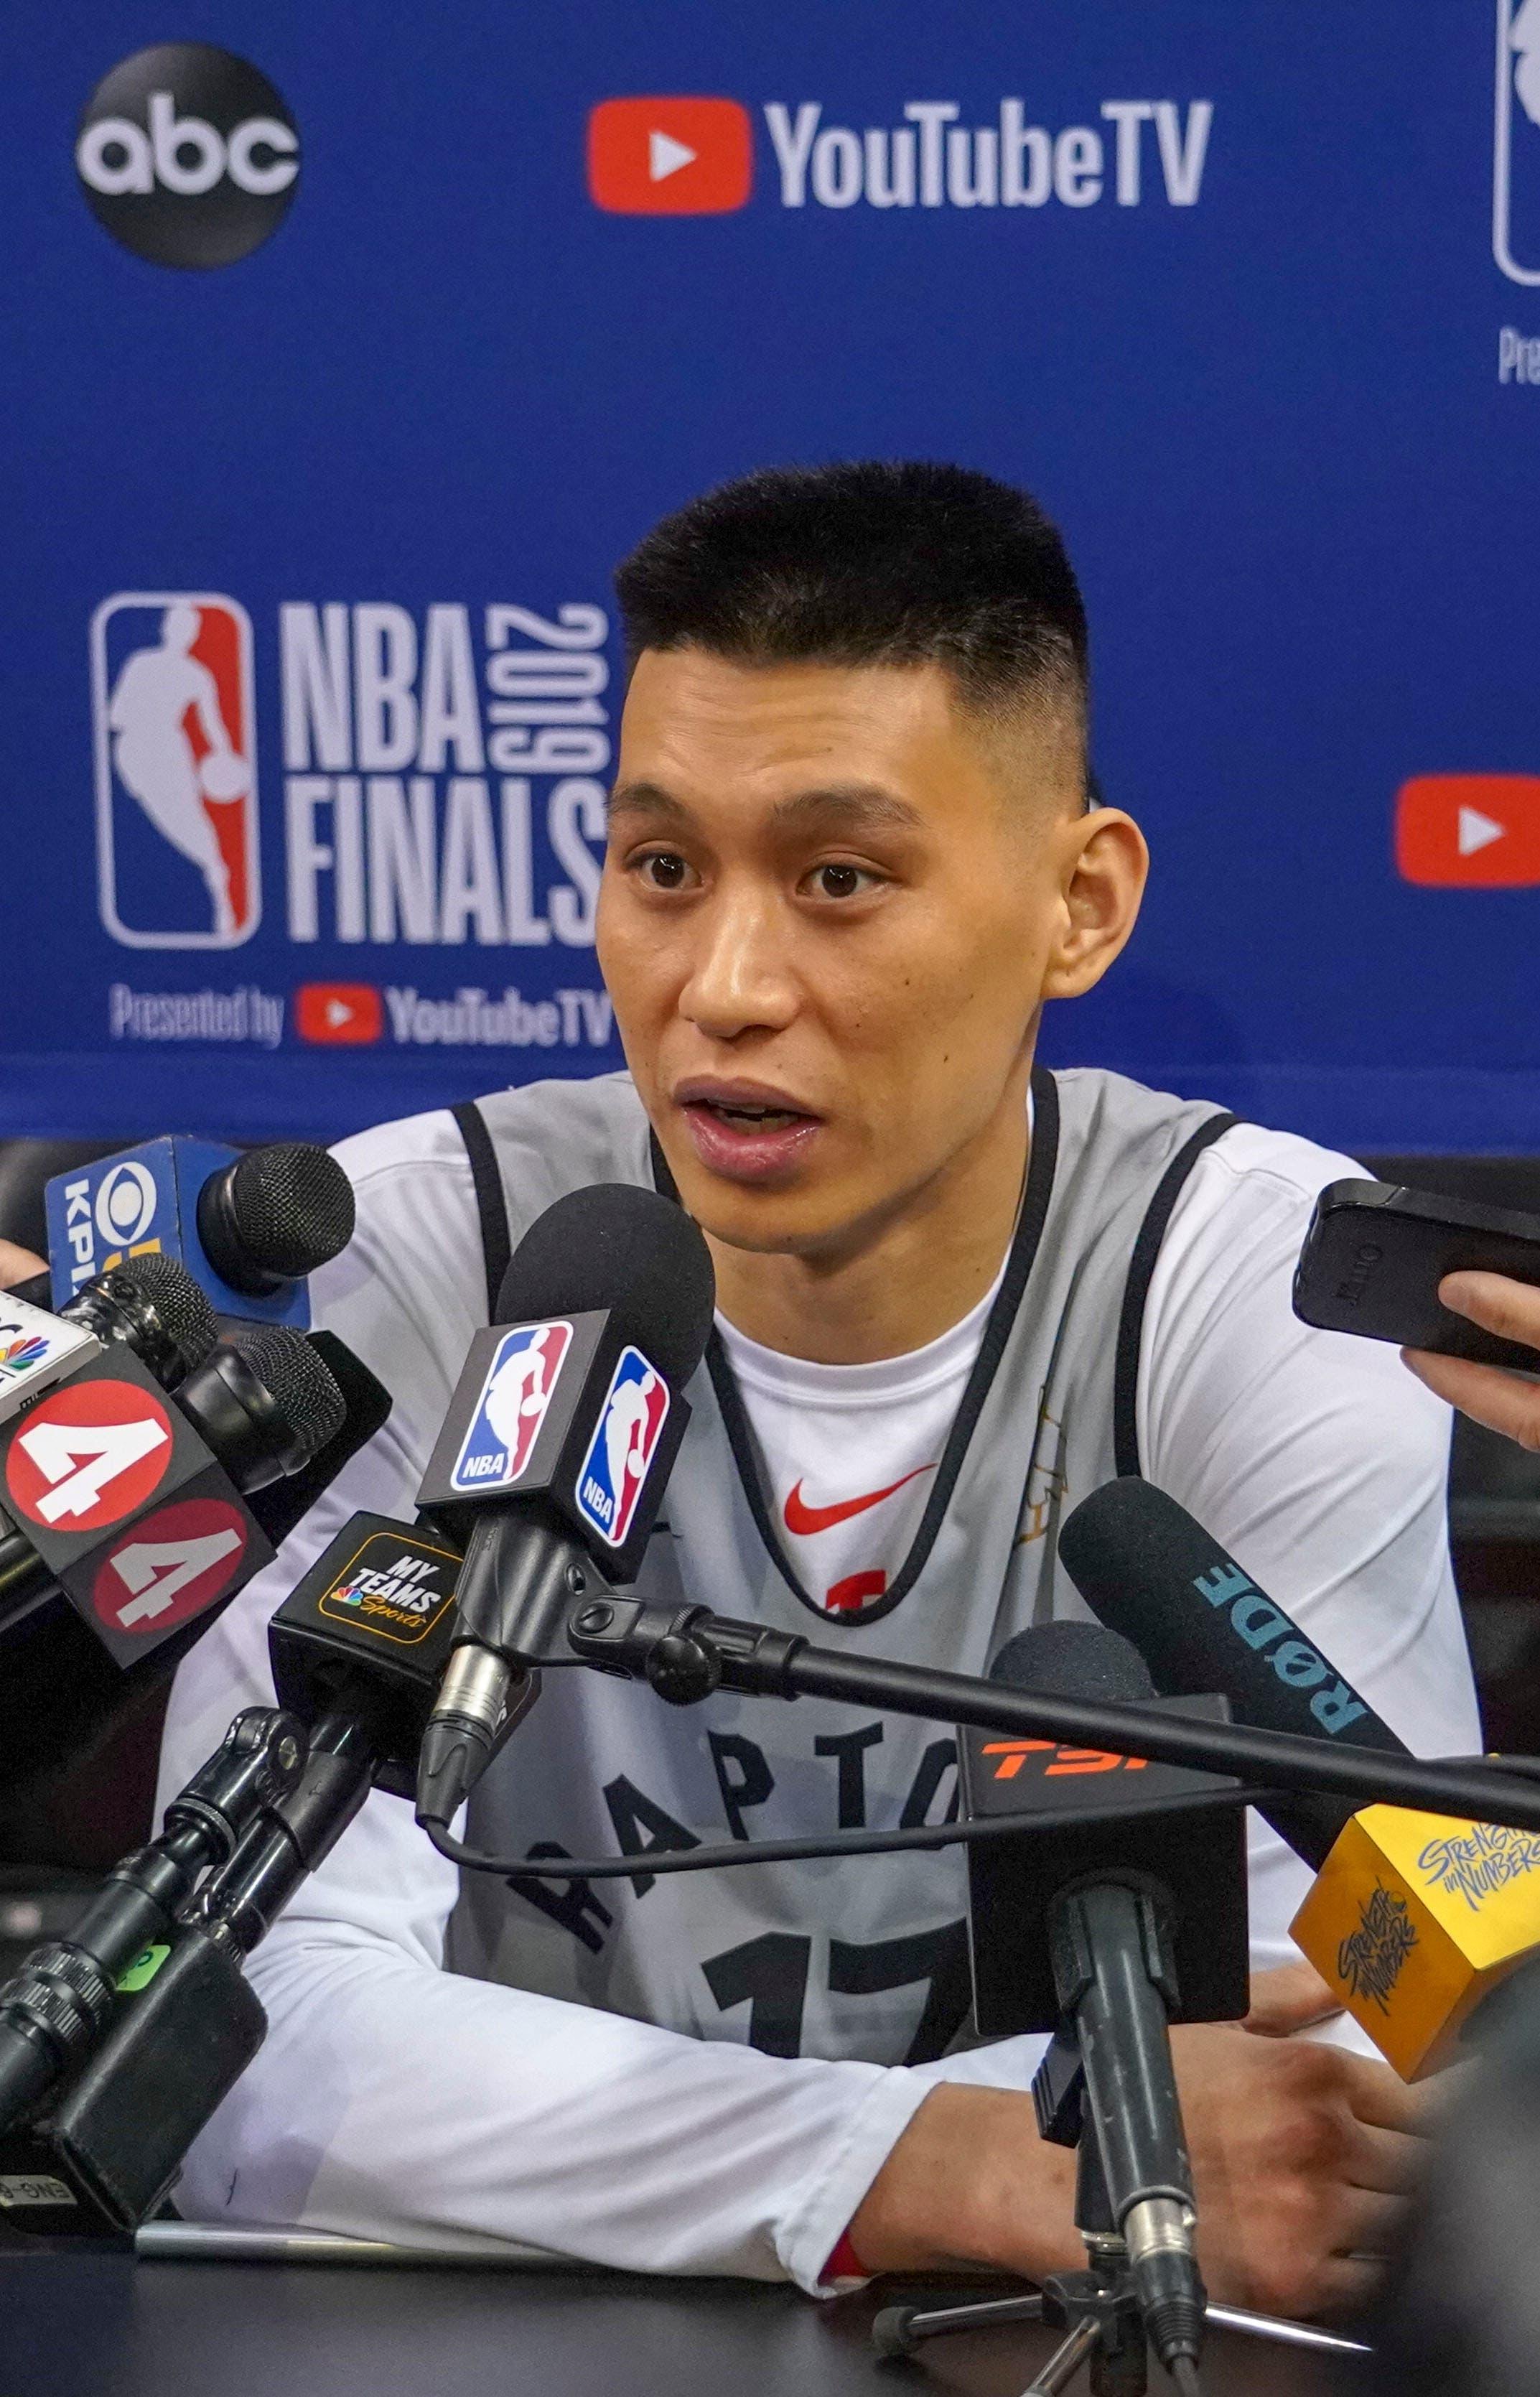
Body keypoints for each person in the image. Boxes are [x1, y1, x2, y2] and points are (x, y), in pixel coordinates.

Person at [157, 462, 1476, 2317]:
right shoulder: (410, 1254)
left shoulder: (1239, 1283)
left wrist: (555, 2120)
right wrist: (921, 2158)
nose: (724, 985)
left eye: (838, 877)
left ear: (1075, 902)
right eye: (662, 867)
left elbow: (1330, 2084)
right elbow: (238, 2026)